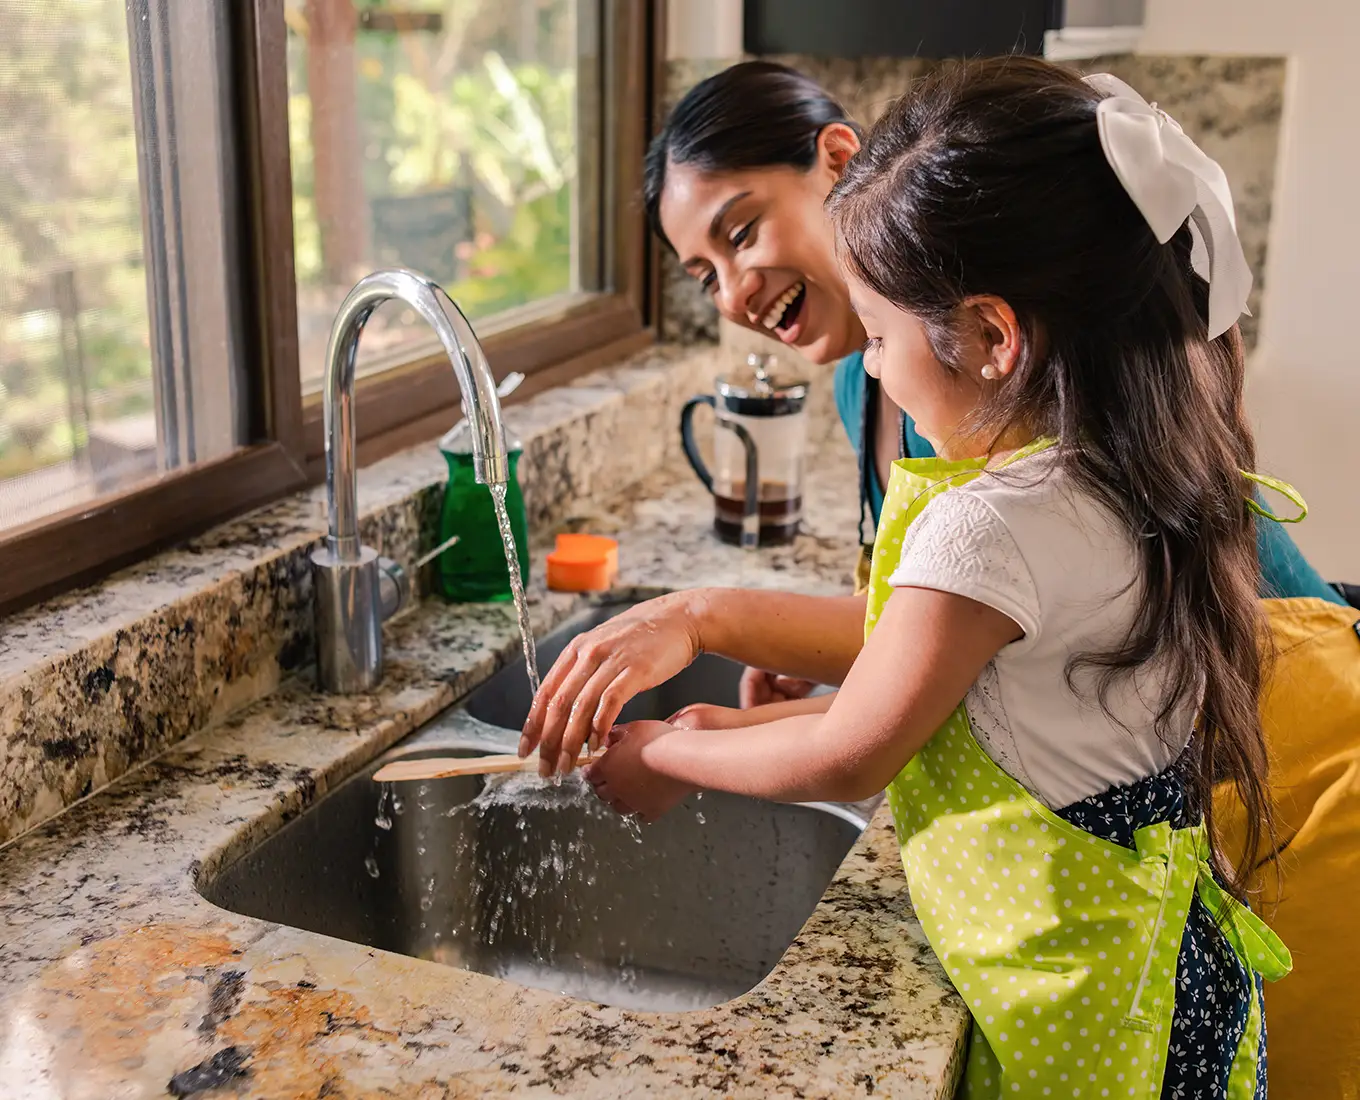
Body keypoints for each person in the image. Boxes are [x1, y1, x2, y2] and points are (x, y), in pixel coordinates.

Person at [522, 58, 1295, 1097]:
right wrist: (723, 716)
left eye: (881, 336)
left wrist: (669, 747)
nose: (872, 363)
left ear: (990, 336)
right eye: (703, 271)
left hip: (1093, 991)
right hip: (1164, 976)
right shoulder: (1117, 459)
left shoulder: (994, 516)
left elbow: (853, 748)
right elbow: (998, 680)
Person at [645, 60, 1353, 711]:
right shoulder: (863, 387)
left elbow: (970, 608)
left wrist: (712, 624)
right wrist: (802, 643)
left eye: (740, 233)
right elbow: (961, 617)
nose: (734, 294)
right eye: (705, 276)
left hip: (1293, 729)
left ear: (837, 158)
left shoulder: (985, 384)